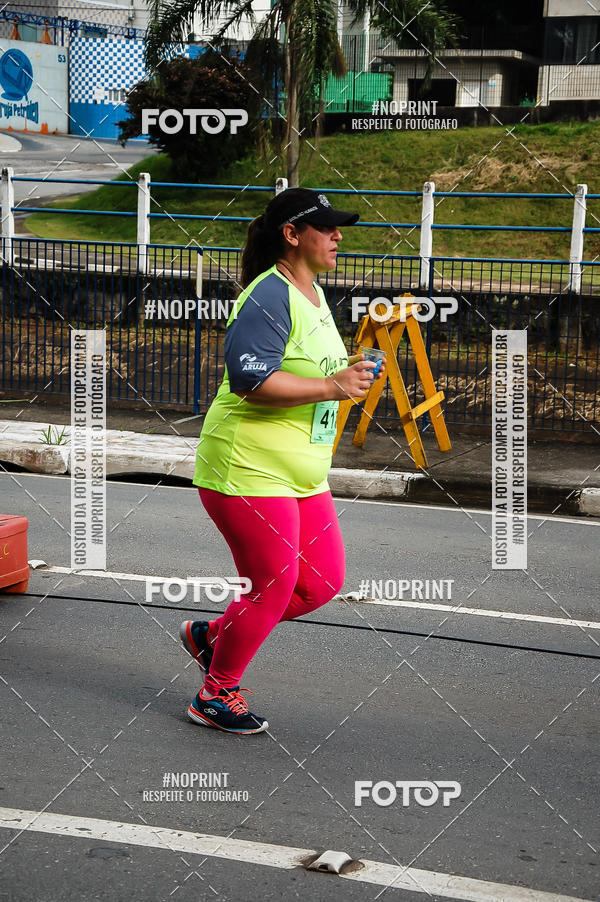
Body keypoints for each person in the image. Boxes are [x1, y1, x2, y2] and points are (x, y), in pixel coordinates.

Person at [179, 187, 386, 734]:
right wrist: (330, 383)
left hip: (302, 474)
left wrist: (349, 376)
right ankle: (216, 692)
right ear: (292, 235)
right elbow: (251, 377)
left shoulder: (313, 293)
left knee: (320, 583)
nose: (338, 235)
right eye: (327, 227)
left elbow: (314, 373)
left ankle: (212, 638)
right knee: (272, 586)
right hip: (247, 466)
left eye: (339, 227)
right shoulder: (267, 294)